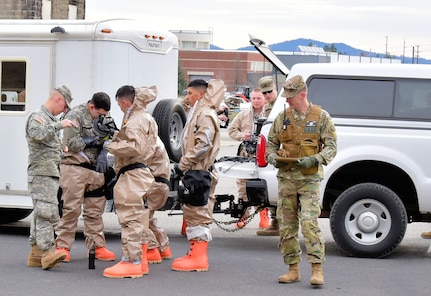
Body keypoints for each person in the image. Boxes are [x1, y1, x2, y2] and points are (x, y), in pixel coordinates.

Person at [266, 75, 337, 286]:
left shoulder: (321, 117)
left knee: (308, 222)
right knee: (287, 225)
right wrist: (271, 156)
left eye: (291, 97)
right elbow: (271, 143)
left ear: (303, 94)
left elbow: (331, 147)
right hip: (286, 179)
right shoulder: (282, 117)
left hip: (309, 180)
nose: (287, 100)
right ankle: (293, 269)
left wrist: (315, 159)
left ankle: (317, 269)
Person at [103, 85, 158, 278]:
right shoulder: (146, 118)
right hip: (140, 172)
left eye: (120, 105)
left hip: (133, 173)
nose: (120, 109)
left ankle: (131, 261)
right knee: (139, 218)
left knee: (130, 218)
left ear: (126, 102)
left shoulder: (136, 120)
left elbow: (134, 147)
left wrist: (111, 145)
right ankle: (139, 260)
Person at [54, 92, 116, 262]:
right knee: (71, 210)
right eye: (99, 114)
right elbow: (70, 143)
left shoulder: (104, 115)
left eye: (105, 114)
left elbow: (111, 137)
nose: (102, 117)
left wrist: (104, 151)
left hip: (95, 170)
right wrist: (95, 141)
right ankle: (62, 247)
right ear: (91, 107)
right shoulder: (75, 115)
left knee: (95, 211)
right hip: (75, 168)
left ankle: (97, 246)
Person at [172, 79, 225, 272]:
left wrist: (183, 164)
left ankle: (199, 257)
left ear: (200, 94)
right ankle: (195, 252)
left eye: (190, 93)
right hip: (195, 170)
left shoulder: (205, 115)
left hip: (200, 170)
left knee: (199, 213)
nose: (187, 97)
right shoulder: (198, 111)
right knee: (194, 212)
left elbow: (203, 145)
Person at [25, 85, 76, 270]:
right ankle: (47, 253)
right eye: (65, 106)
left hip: (49, 172)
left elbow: (47, 145)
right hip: (41, 173)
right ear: (58, 99)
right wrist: (59, 125)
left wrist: (61, 150)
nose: (64, 111)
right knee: (47, 212)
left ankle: (36, 253)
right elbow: (36, 134)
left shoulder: (47, 119)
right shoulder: (38, 116)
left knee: (41, 212)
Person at [135, 86, 172, 264]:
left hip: (154, 183)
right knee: (149, 217)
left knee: (140, 218)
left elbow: (140, 157)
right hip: (162, 182)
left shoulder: (147, 136)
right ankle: (163, 247)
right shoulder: (156, 137)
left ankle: (150, 250)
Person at [227, 87, 270, 229]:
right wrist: (242, 135)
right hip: (246, 154)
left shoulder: (270, 115)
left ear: (264, 99)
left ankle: (264, 214)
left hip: (264, 154)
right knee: (243, 185)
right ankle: (243, 215)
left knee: (263, 184)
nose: (256, 101)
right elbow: (231, 130)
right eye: (254, 98)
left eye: (259, 98)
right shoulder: (243, 115)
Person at [256, 75, 280, 236]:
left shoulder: (281, 105)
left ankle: (279, 224)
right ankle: (276, 223)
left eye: (270, 91)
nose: (267, 95)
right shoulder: (268, 107)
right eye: (265, 93)